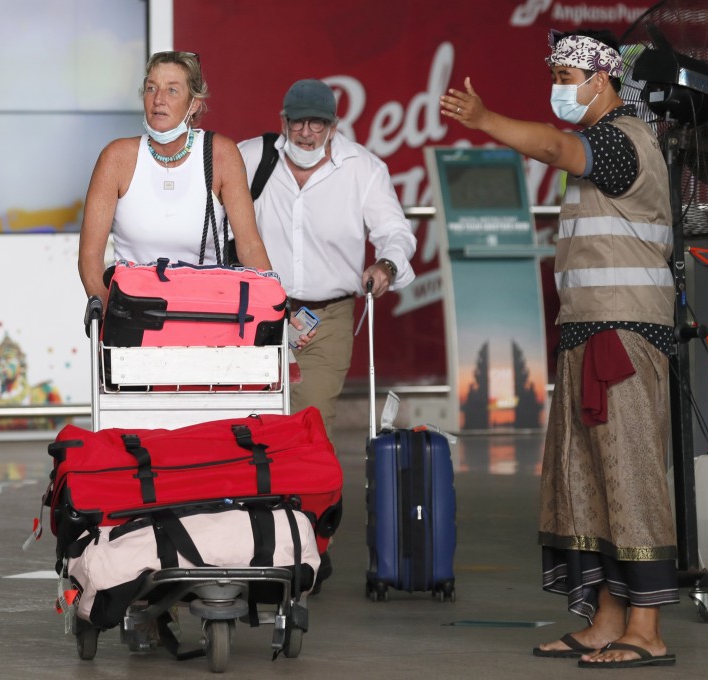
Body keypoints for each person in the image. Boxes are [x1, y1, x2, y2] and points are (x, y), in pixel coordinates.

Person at [441, 29, 679, 668]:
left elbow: (551, 145)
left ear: (601, 82)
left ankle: (647, 629)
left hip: (623, 336)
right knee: (585, 482)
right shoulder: (604, 142)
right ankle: (606, 619)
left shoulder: (623, 141)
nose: (558, 90)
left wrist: (485, 118)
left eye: (567, 79)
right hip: (588, 331)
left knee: (629, 477)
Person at [238, 79, 417, 437]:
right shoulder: (251, 157)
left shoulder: (363, 168)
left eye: (317, 123)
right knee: (252, 420)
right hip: (256, 313)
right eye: (297, 122)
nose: (306, 133)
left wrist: (387, 265)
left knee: (311, 423)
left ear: (334, 126)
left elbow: (396, 233)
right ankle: (262, 494)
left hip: (327, 318)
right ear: (283, 122)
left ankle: (315, 495)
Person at [79, 51, 271, 303]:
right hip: (133, 312)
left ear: (194, 104)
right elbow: (89, 256)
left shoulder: (221, 154)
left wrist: (277, 307)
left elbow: (249, 246)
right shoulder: (116, 157)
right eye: (151, 88)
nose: (158, 99)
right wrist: (108, 316)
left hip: (206, 308)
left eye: (172, 90)